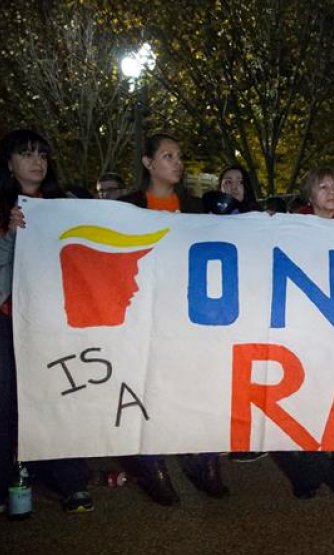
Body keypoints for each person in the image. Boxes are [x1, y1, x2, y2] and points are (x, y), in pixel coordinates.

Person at [0, 129, 94, 519]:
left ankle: (71, 480)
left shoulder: (59, 206)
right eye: (27, 154)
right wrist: (10, 233)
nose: (37, 162)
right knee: (7, 402)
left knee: (61, 394)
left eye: (42, 155)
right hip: (7, 318)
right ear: (9, 164)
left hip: (54, 320)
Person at [120, 133, 223, 506]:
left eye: (179, 156)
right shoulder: (127, 207)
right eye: (167, 156)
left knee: (198, 385)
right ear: (148, 163)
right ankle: (151, 462)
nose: (176, 163)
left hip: (188, 315)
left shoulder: (196, 208)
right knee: (149, 385)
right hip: (143, 315)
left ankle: (203, 459)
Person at [274, 167, 334, 499]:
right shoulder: (292, 228)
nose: (331, 192)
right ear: (310, 196)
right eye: (323, 187)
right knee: (308, 397)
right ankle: (300, 456)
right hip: (304, 332)